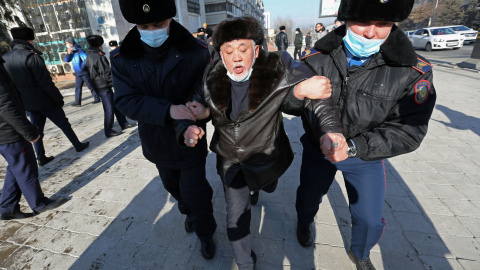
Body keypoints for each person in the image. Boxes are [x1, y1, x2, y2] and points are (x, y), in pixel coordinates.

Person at [176, 16, 345, 270]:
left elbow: (314, 95)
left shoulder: (277, 65)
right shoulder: (210, 73)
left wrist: (330, 131)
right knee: (235, 219)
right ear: (220, 54)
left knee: (266, 185)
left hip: (267, 154)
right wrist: (194, 118)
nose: (236, 58)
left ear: (255, 50)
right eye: (228, 51)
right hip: (231, 160)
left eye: (242, 50)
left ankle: (259, 187)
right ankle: (245, 262)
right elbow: (196, 103)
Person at [297, 1, 437, 269]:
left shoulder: (413, 70)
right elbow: (292, 105)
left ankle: (360, 253)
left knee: (370, 218)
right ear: (346, 19)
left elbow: (409, 129)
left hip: (364, 153)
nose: (371, 33)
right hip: (319, 148)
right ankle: (303, 223)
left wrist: (352, 147)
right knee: (308, 196)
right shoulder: (315, 57)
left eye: (383, 24)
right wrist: (298, 92)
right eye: (363, 22)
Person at [111, 0, 217, 260]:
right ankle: (188, 210)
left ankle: (206, 234)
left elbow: (205, 89)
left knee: (197, 192)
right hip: (156, 140)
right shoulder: (122, 56)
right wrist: (169, 110)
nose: (152, 30)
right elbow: (126, 101)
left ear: (170, 18)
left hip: (192, 138)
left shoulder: (198, 51)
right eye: (144, 25)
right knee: (173, 187)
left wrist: (198, 111)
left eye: (158, 24)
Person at [3, 27, 90, 167]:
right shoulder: (31, 56)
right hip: (45, 101)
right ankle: (78, 145)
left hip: (28, 103)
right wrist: (58, 99)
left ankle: (41, 157)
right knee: (64, 124)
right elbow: (45, 82)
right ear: (29, 40)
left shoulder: (5, 59)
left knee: (37, 130)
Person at [0, 54, 63, 220]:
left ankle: (8, 207)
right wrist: (28, 131)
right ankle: (39, 203)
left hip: (4, 131)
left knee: (16, 166)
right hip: (9, 131)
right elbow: (5, 106)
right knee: (26, 167)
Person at [84, 35, 136, 138]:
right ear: (99, 45)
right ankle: (108, 130)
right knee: (109, 109)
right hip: (103, 86)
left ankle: (123, 123)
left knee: (115, 105)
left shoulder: (89, 55)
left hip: (99, 85)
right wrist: (115, 84)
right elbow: (106, 73)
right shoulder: (99, 56)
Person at [64, 37, 100, 106]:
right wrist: (68, 53)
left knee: (90, 86)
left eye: (67, 43)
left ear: (71, 43)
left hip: (83, 72)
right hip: (78, 73)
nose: (67, 45)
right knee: (78, 87)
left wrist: (82, 68)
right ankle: (77, 102)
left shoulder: (79, 50)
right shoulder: (71, 52)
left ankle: (97, 98)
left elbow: (86, 60)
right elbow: (66, 60)